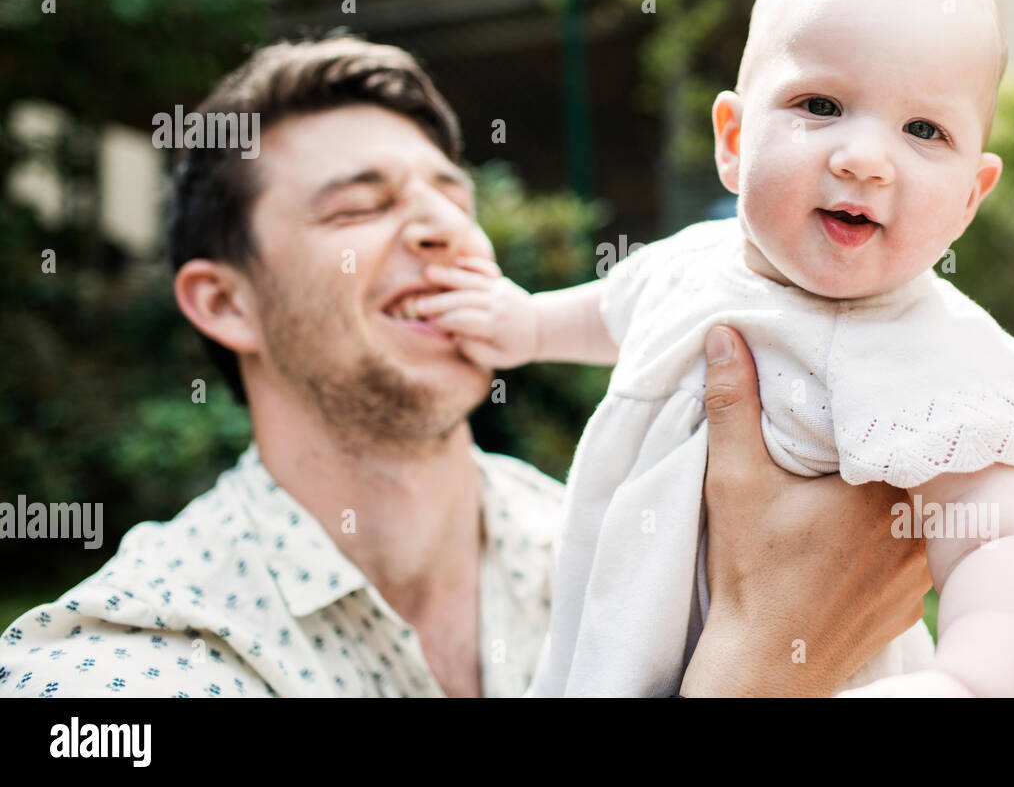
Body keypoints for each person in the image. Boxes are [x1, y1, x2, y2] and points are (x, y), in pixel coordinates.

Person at [0, 36, 930, 698]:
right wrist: (763, 667)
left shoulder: (621, 539)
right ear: (224, 302)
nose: (444, 226)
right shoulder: (133, 652)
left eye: (452, 195)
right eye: (358, 207)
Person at [410, 0, 1014, 697]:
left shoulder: (926, 345)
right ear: (732, 140)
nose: (863, 158)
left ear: (969, 198)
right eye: (820, 104)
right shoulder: (691, 260)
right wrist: (523, 324)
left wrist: (969, 681)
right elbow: (611, 311)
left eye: (924, 129)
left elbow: (999, 542)